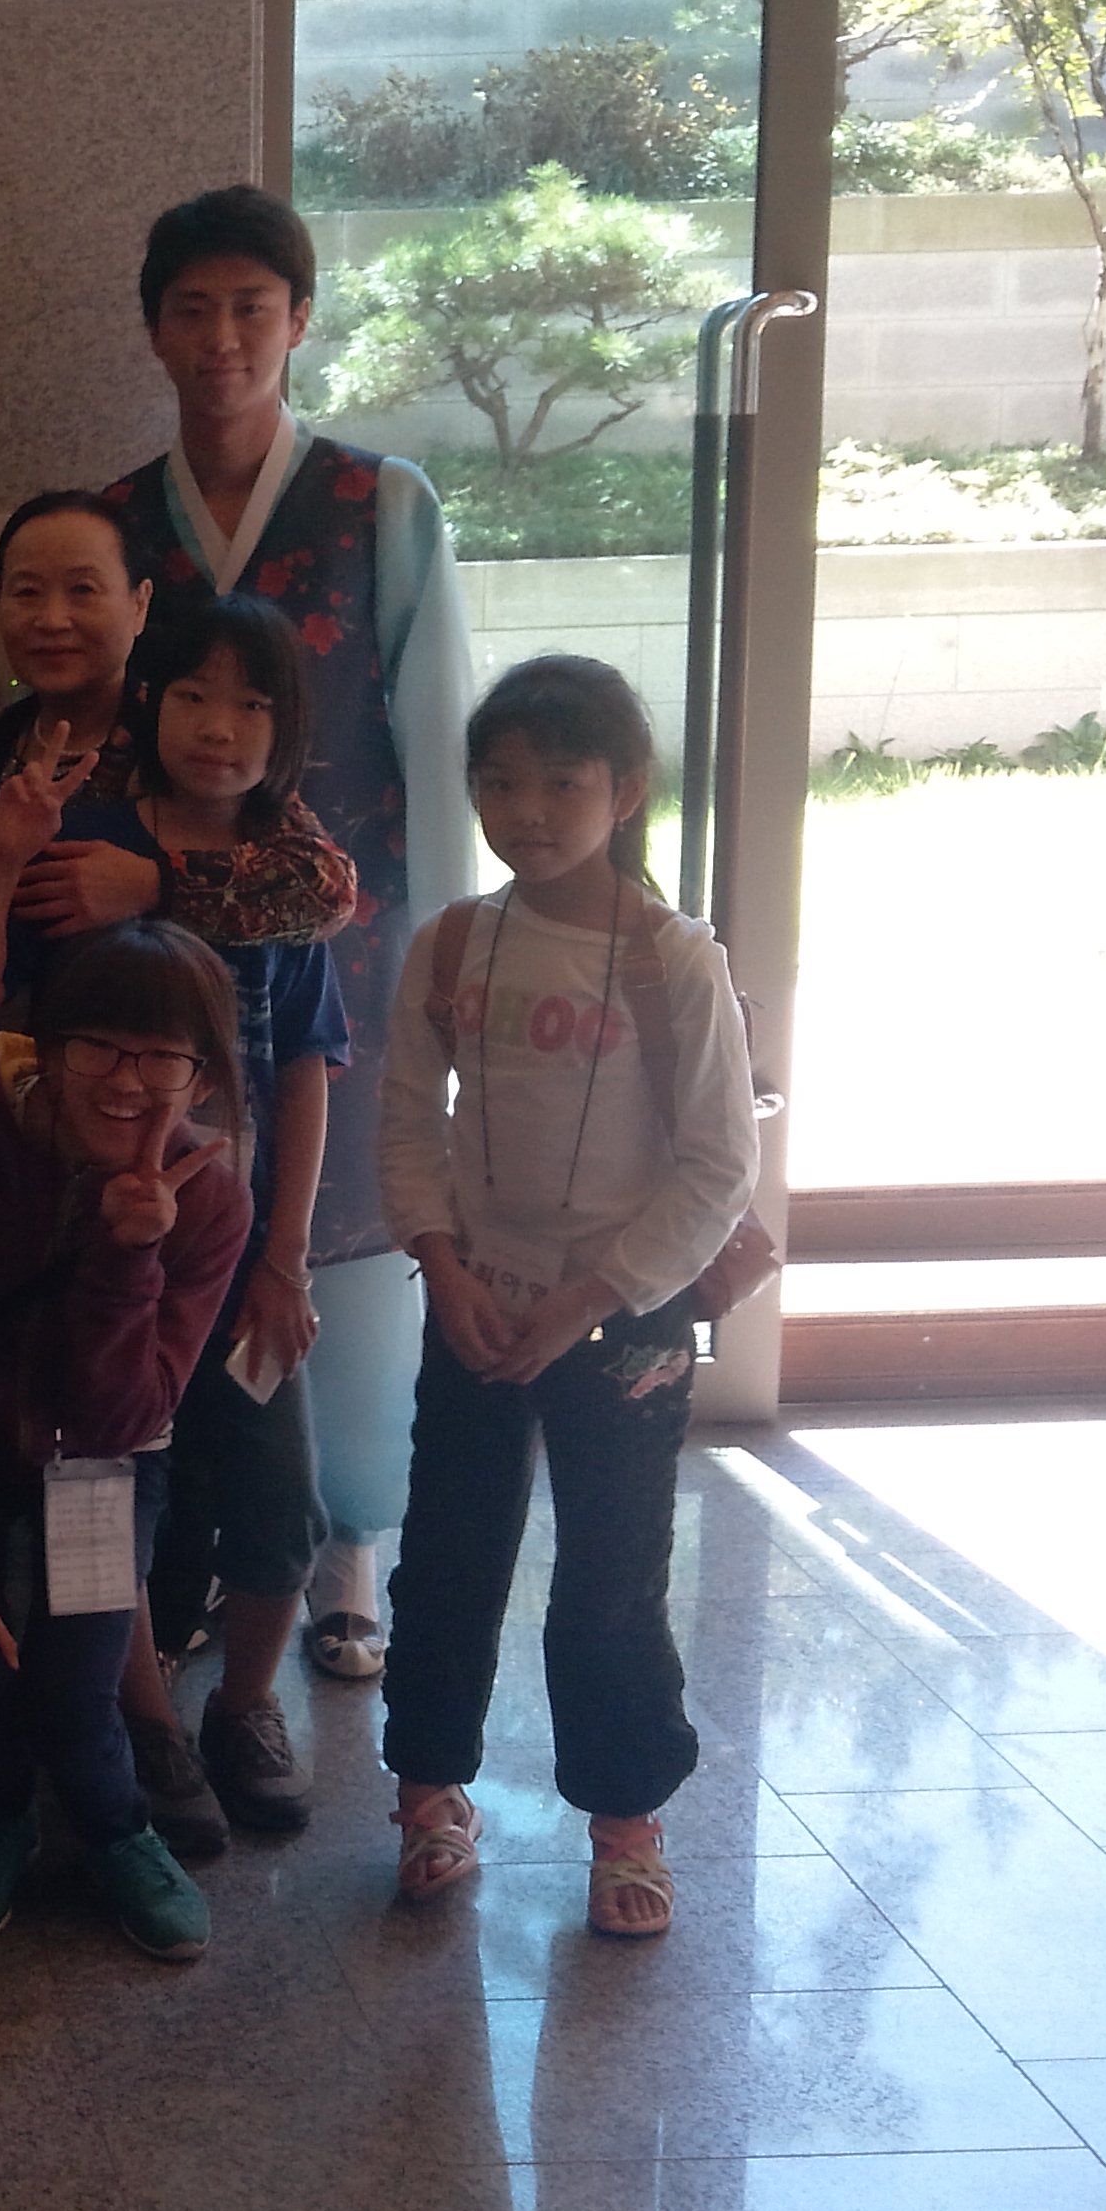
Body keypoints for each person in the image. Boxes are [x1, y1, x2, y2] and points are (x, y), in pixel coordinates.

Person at [102, 185, 478, 1684]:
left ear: (300, 320)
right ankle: (207, 1544)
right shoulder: (121, 520)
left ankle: (348, 1546)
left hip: (345, 941)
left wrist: (443, 948)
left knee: (342, 1230)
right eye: (191, 309)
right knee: (179, 1217)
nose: (221, 337)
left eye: (251, 307)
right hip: (159, 959)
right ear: (153, 330)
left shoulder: (381, 504)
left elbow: (436, 735)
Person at [376, 657, 758, 1941]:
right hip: (477, 1306)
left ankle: (625, 1822)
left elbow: (719, 1167)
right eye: (499, 782)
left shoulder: (674, 960)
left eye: (560, 782)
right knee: (448, 1558)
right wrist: (441, 1266)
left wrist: (590, 1297)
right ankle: (428, 1793)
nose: (526, 810)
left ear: (626, 790)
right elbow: (406, 1123)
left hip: (624, 1322)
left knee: (611, 1576)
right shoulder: (452, 944)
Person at [0, 923, 250, 1959]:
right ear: (48, 1045)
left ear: (204, 1075)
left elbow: (124, 1416)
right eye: (98, 1045)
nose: (128, 1081)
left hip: (106, 1461)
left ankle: (117, 1830)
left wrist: (130, 1252)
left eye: (163, 1057)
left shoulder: (209, 1196)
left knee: (77, 1687)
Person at [95, 598, 352, 1854]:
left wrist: (286, 1257)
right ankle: (146, 1722)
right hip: (110, 1246)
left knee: (278, 1497)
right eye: (195, 692)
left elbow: (307, 1064)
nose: (221, 726)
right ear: (150, 699)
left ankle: (244, 1706)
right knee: (113, 1489)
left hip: (244, 1254)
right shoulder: (98, 848)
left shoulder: (287, 877)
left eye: (254, 703)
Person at [0, 490, 354, 1039]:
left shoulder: (184, 745)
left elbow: (324, 887)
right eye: (26, 592)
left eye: (83, 590)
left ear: (139, 603)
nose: (52, 619)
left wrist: (158, 885)